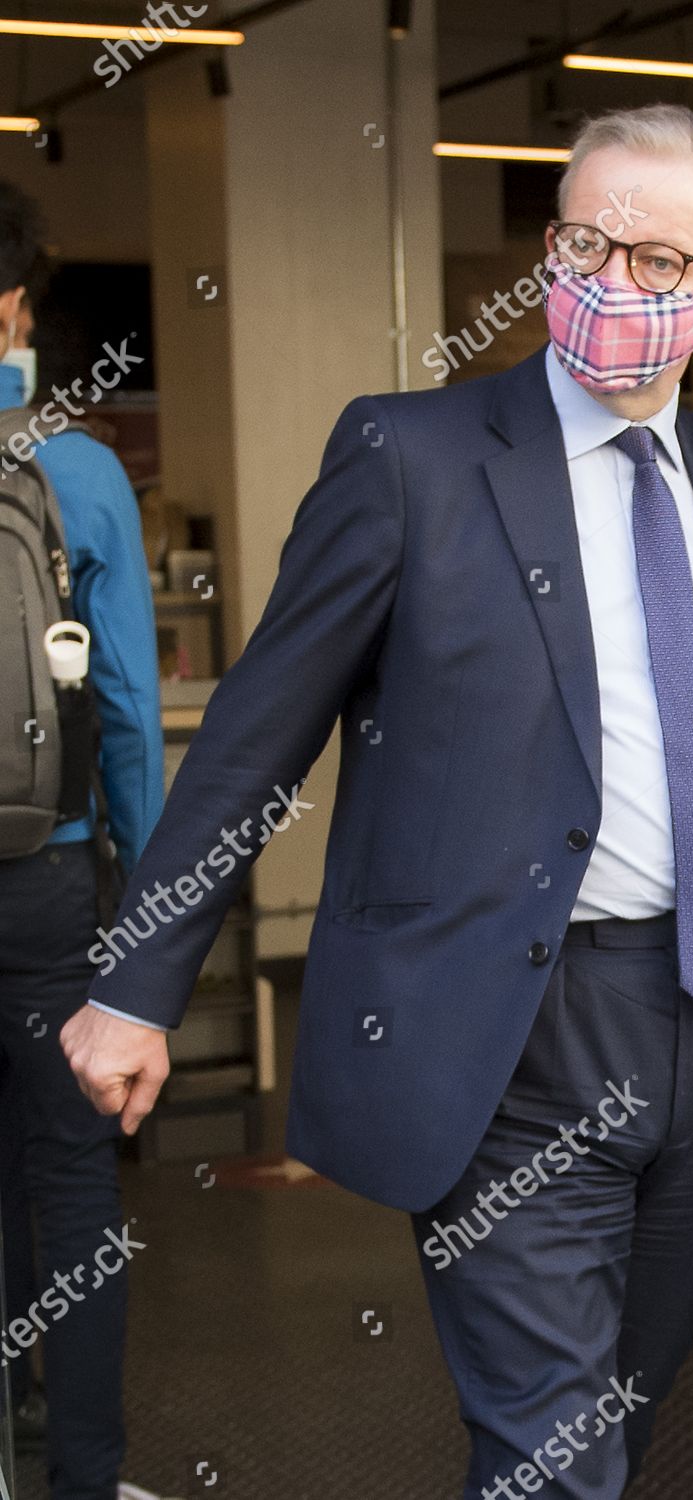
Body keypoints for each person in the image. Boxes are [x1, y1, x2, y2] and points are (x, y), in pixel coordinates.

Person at [61, 105, 693, 1497]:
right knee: (554, 1450)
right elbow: (254, 736)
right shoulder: (412, 458)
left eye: (660, 263)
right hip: (509, 1024)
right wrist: (139, 986)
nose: (611, 282)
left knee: (618, 1410)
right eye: (585, 240)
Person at [0, 181, 166, 1500]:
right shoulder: (83, 469)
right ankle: (84, 1478)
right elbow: (122, 711)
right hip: (50, 881)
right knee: (72, 1190)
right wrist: (154, 909)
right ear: (15, 306)